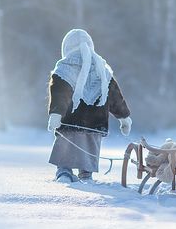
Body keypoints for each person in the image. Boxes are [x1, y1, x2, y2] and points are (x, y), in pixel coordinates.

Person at [47, 29, 132, 183]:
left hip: (69, 122)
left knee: (65, 150)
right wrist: (124, 117)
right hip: (95, 125)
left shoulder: (64, 68)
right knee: (88, 152)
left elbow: (60, 93)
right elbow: (114, 96)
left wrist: (56, 113)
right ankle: (86, 175)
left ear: (66, 47)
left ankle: (64, 173)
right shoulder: (102, 69)